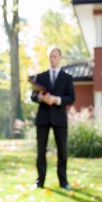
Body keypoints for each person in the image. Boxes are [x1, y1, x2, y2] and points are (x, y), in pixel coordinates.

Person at [30, 46, 75, 190]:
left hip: (60, 119)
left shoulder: (67, 78)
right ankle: (40, 181)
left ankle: (63, 182)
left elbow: (71, 98)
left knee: (62, 151)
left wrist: (56, 99)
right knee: (40, 151)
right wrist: (41, 98)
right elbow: (33, 96)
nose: (52, 59)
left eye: (55, 56)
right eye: (50, 56)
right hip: (43, 118)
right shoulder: (40, 77)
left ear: (60, 58)